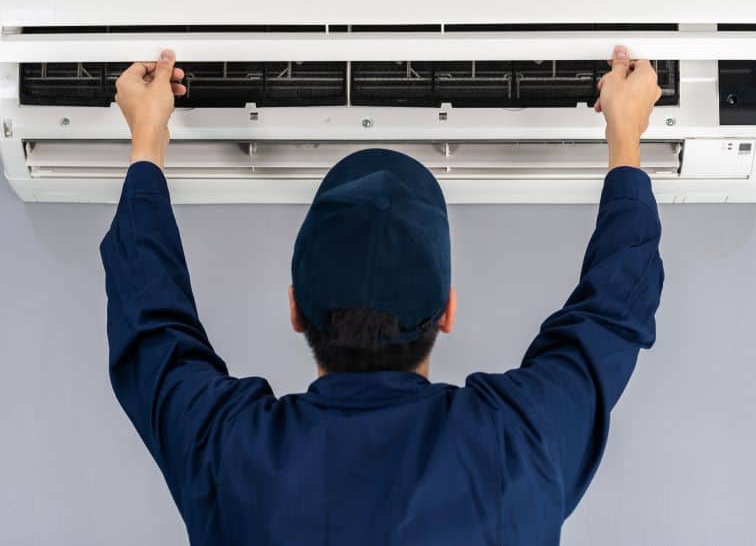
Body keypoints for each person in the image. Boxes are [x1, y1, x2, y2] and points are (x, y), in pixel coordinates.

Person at [100, 46, 664, 545]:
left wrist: (148, 139)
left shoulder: (231, 456)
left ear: (295, 309)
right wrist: (625, 134)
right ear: (447, 313)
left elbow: (149, 324)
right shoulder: (516, 444)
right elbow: (613, 310)